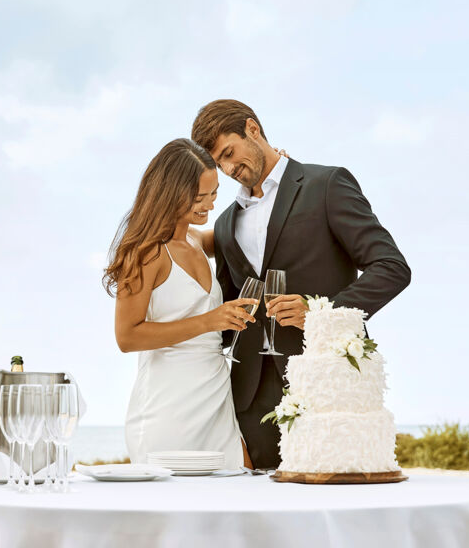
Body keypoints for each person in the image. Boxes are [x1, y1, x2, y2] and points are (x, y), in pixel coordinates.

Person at [190, 99, 412, 470]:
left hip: (327, 387)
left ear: (253, 129)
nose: (228, 168)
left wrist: (319, 312)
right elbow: (230, 313)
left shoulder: (326, 185)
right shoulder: (227, 223)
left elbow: (391, 267)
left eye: (229, 152)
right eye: (219, 163)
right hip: (250, 401)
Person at [104, 138, 256, 470]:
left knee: (241, 499)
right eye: (199, 199)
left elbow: (249, 222)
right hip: (169, 410)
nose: (209, 207)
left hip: (216, 401)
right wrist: (209, 322)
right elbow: (127, 337)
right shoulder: (145, 252)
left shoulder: (195, 239)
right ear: (169, 194)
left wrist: (274, 183)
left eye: (214, 194)